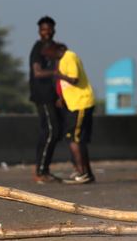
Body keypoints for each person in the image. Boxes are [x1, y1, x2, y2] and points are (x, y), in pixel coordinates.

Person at [45, 42, 95, 184]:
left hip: (80, 103)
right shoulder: (63, 60)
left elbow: (74, 78)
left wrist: (58, 74)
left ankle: (82, 173)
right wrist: (61, 97)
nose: (50, 57)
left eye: (51, 53)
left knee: (73, 139)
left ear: (57, 50)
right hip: (75, 103)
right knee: (79, 139)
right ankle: (87, 173)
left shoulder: (69, 56)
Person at [28, 16, 63, 184]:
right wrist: (58, 74)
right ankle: (41, 171)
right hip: (42, 96)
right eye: (43, 29)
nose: (46, 32)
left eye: (49, 29)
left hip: (53, 96)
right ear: (39, 31)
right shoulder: (38, 48)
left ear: (53, 30)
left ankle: (44, 170)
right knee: (51, 131)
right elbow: (38, 72)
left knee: (52, 132)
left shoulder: (56, 48)